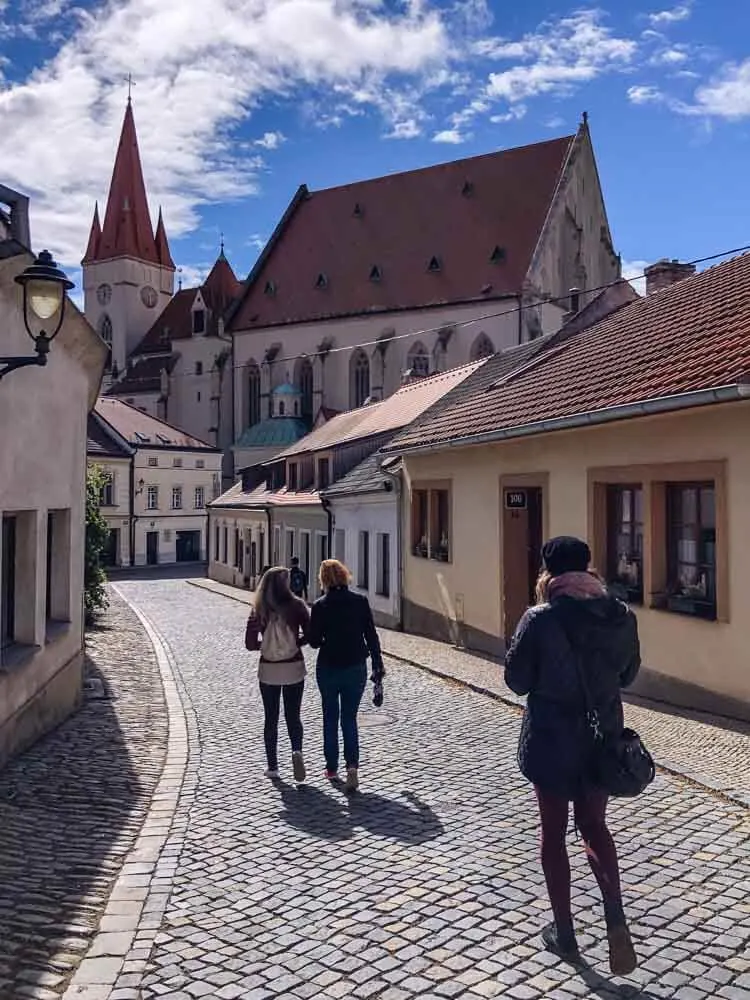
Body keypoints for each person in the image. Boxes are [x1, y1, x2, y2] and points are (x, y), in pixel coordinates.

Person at [504, 536, 641, 976]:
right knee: (594, 826)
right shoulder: (620, 614)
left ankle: (565, 931)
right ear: (589, 568)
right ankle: (615, 918)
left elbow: (517, 681)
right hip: (602, 739)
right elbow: (630, 673)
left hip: (551, 738)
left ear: (549, 573)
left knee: (553, 833)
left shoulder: (540, 618)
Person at [308, 559, 385, 792]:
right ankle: (352, 766)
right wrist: (378, 665)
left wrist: (324, 638)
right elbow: (371, 636)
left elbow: (313, 641)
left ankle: (332, 768)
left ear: (324, 580)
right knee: (349, 718)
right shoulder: (360, 602)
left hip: (329, 666)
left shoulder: (320, 605)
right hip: (355, 666)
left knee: (330, 718)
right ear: (344, 576)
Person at [245, 566, 310, 783]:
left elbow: (250, 644)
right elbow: (310, 635)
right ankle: (297, 752)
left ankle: (272, 766)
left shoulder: (258, 609)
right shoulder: (297, 606)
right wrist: (294, 642)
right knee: (294, 716)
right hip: (293, 667)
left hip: (269, 670)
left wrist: (267, 645)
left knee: (270, 718)